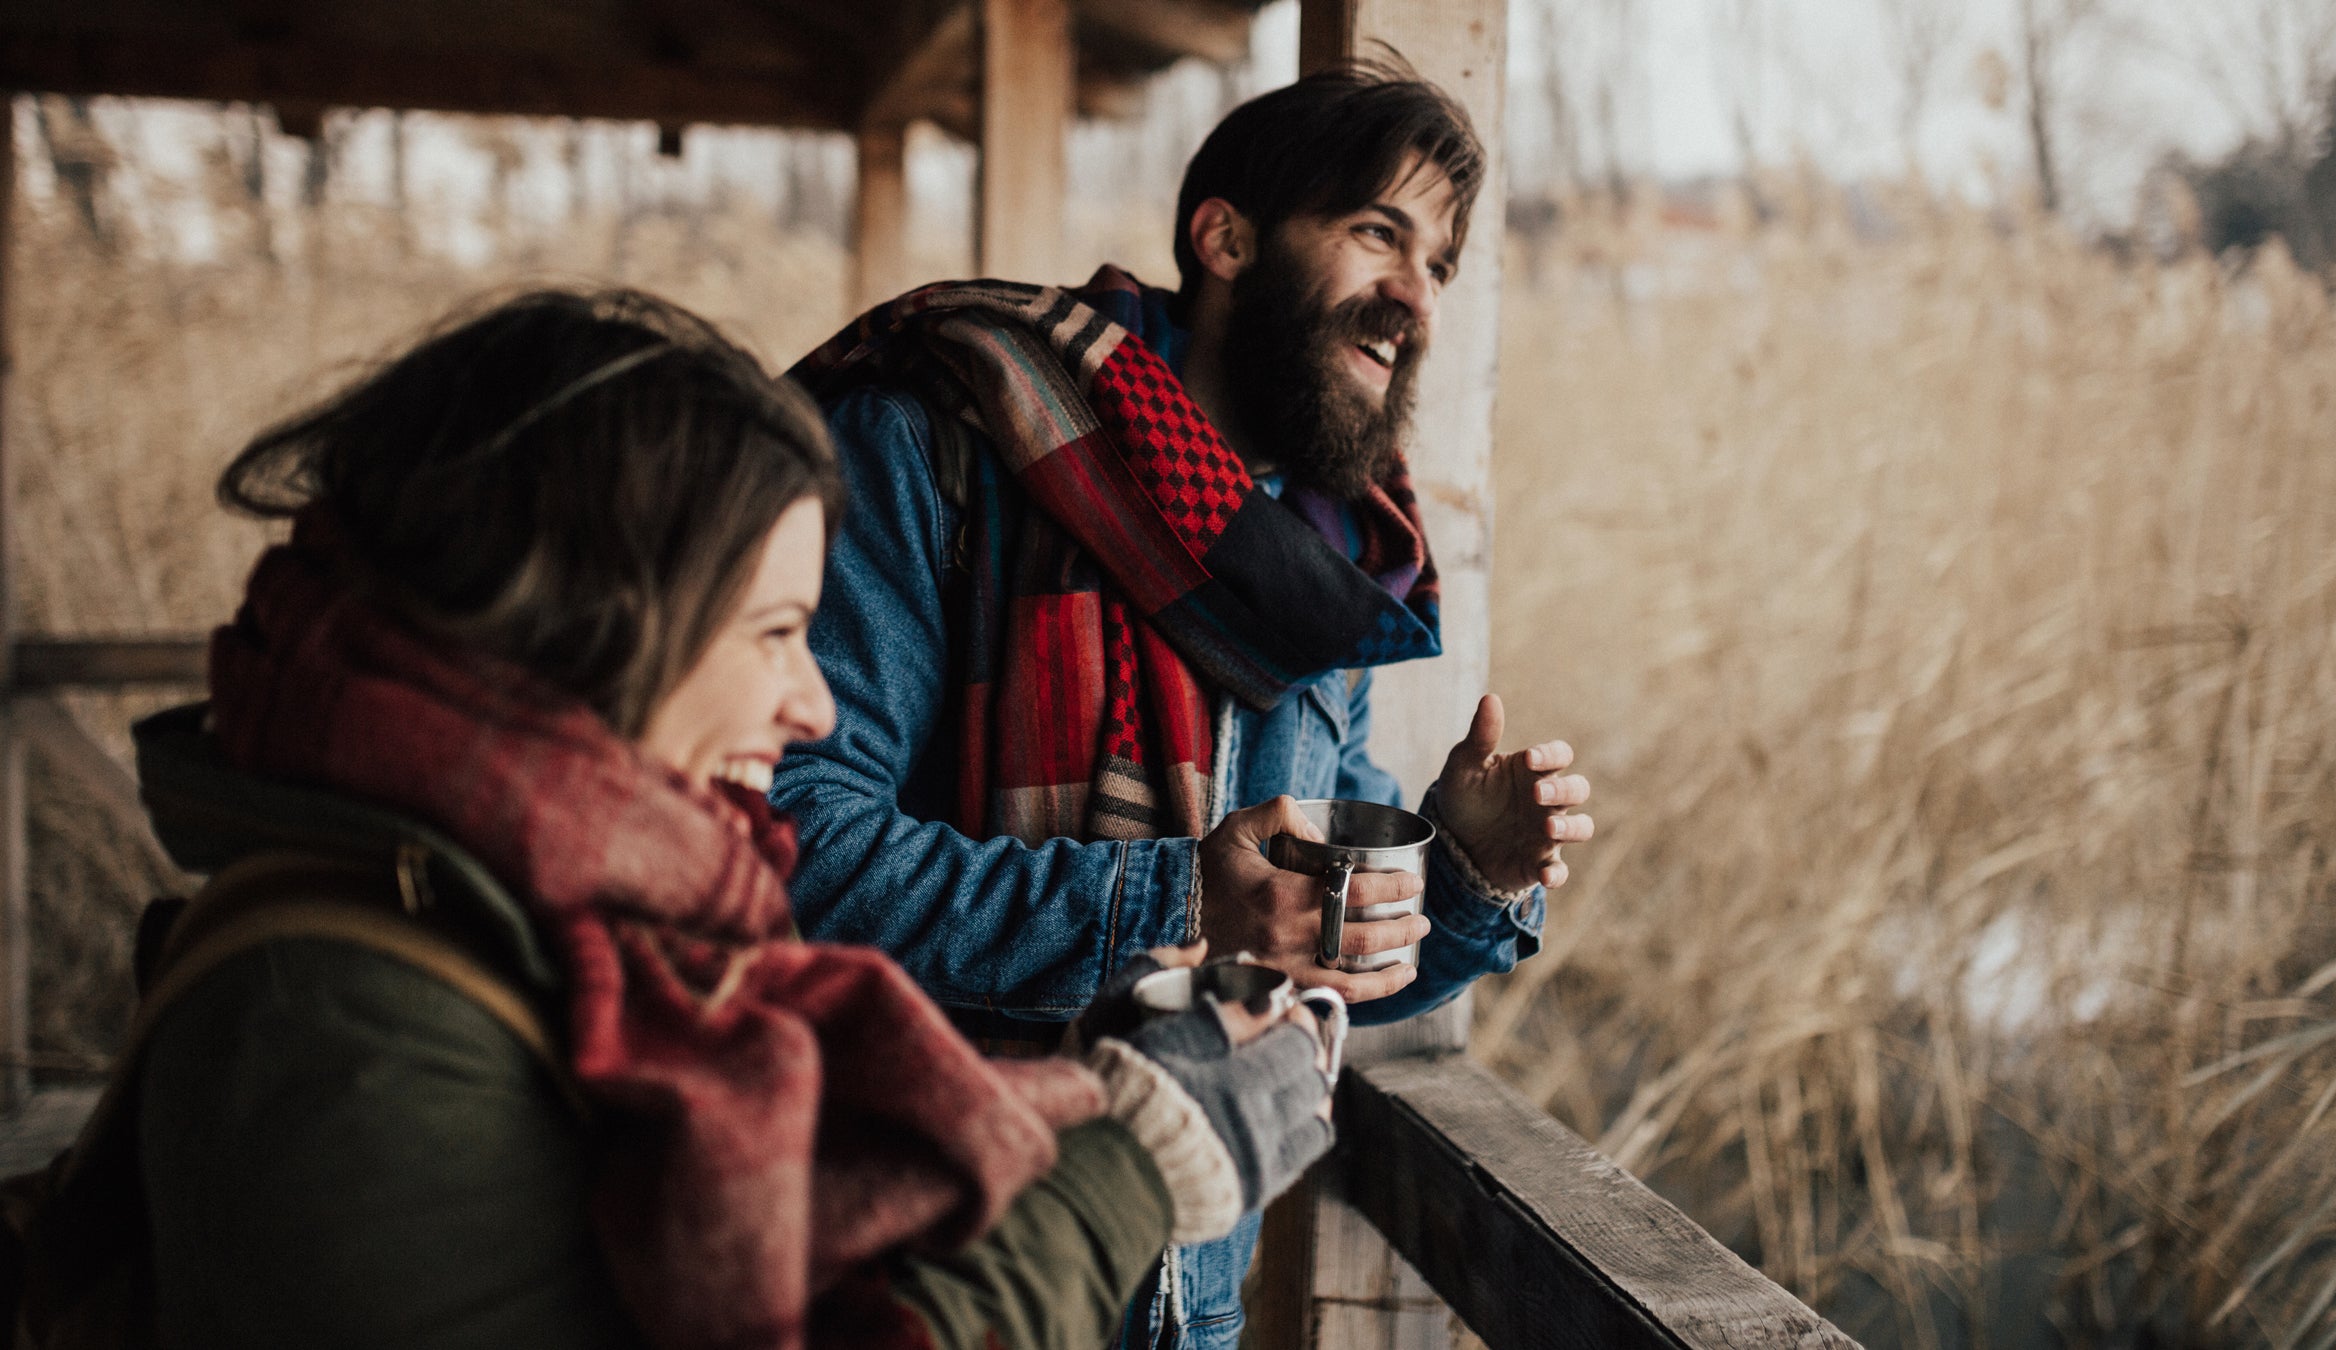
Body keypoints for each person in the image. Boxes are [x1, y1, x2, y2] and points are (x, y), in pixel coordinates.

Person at [115, 289, 1336, 1350]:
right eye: (772, 635)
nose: (812, 707)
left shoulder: (534, 908)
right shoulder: (345, 1026)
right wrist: (1125, 1174)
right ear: (586, 621)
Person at [771, 60, 1596, 1350]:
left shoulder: (1322, 575)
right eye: (1379, 232)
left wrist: (1465, 881)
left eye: (1439, 263)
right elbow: (782, 844)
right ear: (1225, 238)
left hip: (1177, 1295)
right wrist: (1176, 904)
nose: (1415, 300)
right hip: (915, 1261)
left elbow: (1310, 958)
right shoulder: (939, 438)